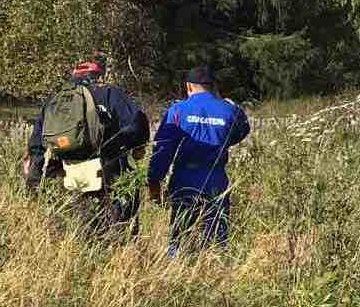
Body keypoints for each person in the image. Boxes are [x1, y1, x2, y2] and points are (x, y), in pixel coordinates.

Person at [22, 59, 150, 240]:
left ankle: (86, 261)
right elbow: (138, 125)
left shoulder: (54, 101)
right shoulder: (110, 94)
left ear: (74, 77)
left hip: (71, 177)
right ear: (98, 76)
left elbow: (37, 145)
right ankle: (121, 261)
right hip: (112, 173)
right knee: (121, 231)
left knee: (83, 230)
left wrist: (41, 177)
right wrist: (132, 147)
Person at [146, 66, 250, 256]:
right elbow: (241, 131)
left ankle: (176, 268)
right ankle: (217, 270)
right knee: (217, 237)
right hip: (216, 178)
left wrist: (154, 180)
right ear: (213, 87)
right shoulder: (229, 111)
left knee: (181, 232)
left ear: (188, 87)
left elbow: (163, 149)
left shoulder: (178, 110)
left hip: (185, 179)